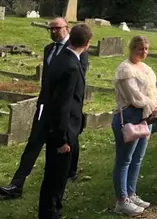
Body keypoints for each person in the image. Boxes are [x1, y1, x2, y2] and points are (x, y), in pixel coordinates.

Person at [0, 17, 88, 200]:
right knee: (34, 140)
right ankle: (17, 184)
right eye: (51, 29)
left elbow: (76, 82)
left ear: (67, 29)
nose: (54, 32)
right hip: (44, 104)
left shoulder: (76, 51)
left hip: (65, 108)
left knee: (70, 139)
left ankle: (71, 171)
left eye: (58, 28)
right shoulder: (49, 49)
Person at [37, 23, 93, 219]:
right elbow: (63, 105)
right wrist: (62, 139)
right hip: (62, 131)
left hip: (57, 127)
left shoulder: (61, 58)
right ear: (88, 43)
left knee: (53, 176)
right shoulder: (71, 67)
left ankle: (49, 212)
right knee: (56, 179)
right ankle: (52, 214)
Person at [111, 36, 157, 216]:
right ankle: (121, 200)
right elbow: (135, 97)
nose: (144, 52)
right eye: (140, 49)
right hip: (130, 115)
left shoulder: (146, 68)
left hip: (146, 117)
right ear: (132, 48)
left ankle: (131, 193)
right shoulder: (125, 70)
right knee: (124, 159)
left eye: (147, 49)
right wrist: (152, 105)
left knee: (137, 158)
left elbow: (153, 92)